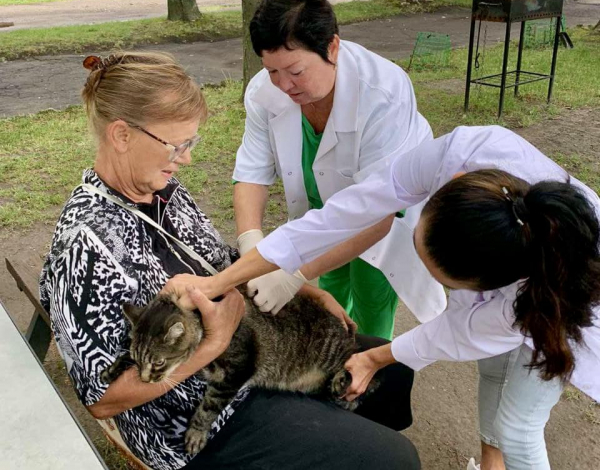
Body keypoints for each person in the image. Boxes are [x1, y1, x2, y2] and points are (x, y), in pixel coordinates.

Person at [40, 52, 420, 470]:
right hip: (190, 415)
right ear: (122, 135)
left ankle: (339, 433)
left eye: (190, 143)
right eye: (177, 144)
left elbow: (222, 260)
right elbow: (102, 400)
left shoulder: (163, 192)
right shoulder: (83, 245)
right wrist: (216, 343)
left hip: (251, 352)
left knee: (390, 367)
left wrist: (303, 286)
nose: (185, 158)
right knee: (392, 459)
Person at [178, 125, 600, 470]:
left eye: (452, 287)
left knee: (518, 428)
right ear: (450, 186)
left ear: (490, 288)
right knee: (494, 374)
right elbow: (346, 212)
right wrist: (231, 278)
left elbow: (455, 333)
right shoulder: (467, 152)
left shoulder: (529, 304)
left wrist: (376, 358)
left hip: (570, 314)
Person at [232, 0, 445, 339]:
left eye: (295, 71)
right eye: (272, 71)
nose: (283, 85)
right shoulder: (263, 94)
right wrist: (252, 246)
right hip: (325, 208)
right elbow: (252, 171)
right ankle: (336, 354)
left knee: (372, 297)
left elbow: (378, 213)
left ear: (332, 47)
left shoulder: (384, 94)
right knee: (331, 287)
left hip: (383, 219)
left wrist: (293, 275)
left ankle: (371, 367)